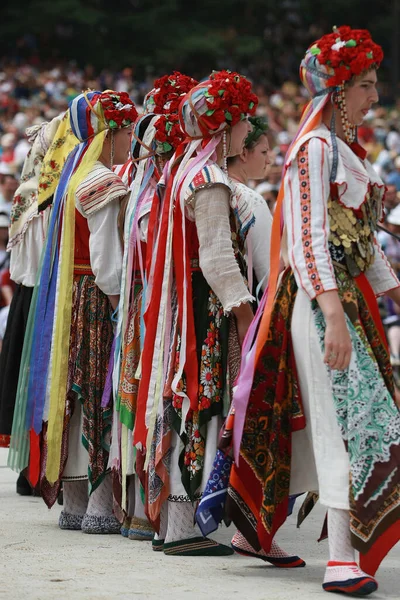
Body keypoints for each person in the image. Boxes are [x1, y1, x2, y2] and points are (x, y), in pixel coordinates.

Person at [218, 25, 400, 595]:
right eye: (367, 85)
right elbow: (308, 240)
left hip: (347, 299)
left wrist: (389, 291)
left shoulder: (342, 150)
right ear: (340, 91)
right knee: (343, 422)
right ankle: (342, 559)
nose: (376, 95)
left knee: (315, 421)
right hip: (322, 302)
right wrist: (334, 313)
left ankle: (253, 528)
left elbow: (359, 242)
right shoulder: (315, 149)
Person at [135, 71, 258, 556]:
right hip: (203, 307)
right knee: (201, 400)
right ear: (225, 128)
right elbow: (216, 256)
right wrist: (244, 311)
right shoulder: (207, 177)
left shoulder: (186, 167)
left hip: (188, 300)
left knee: (189, 399)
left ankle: (177, 523)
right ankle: (183, 525)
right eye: (244, 119)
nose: (251, 127)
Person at [9, 90, 139, 534]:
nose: (129, 141)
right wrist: (122, 304)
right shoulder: (100, 180)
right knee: (99, 393)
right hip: (97, 298)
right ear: (109, 133)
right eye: (124, 132)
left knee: (74, 394)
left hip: (70, 295)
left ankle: (76, 502)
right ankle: (101, 508)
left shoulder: (70, 177)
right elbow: (106, 258)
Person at [110, 71, 198, 542]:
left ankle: (141, 510)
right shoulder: (156, 185)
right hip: (155, 303)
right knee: (153, 397)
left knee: (143, 396)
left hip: (147, 300)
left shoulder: (141, 180)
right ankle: (153, 513)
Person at [0, 113, 78, 494]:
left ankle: (37, 468)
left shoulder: (34, 189)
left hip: (32, 290)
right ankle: (38, 468)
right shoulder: (43, 193)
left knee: (36, 379)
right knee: (41, 378)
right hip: (45, 291)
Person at [227, 116, 273, 293]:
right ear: (243, 153)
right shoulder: (250, 199)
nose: (268, 161)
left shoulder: (219, 187)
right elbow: (268, 270)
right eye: (263, 152)